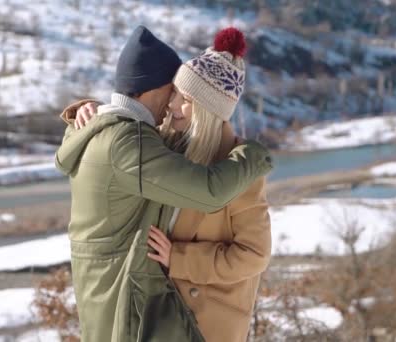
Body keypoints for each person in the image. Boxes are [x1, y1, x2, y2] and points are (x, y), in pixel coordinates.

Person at [55, 25, 273, 341]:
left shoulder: (238, 171)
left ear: (208, 109)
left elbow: (254, 255)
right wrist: (88, 111)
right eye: (172, 95)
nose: (171, 106)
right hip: (158, 319)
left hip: (206, 324)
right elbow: (123, 124)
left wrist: (180, 260)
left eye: (183, 98)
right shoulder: (163, 145)